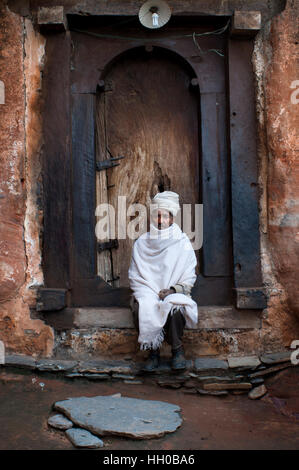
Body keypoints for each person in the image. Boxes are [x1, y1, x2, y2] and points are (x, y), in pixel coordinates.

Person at [128, 191, 198, 372]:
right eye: (157, 215)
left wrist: (173, 290)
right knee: (142, 306)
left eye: (164, 216)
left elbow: (189, 275)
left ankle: (177, 350)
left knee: (174, 307)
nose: (160, 220)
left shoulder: (182, 243)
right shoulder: (142, 243)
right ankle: (153, 351)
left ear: (172, 219)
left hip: (172, 292)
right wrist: (149, 292)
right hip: (148, 290)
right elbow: (135, 276)